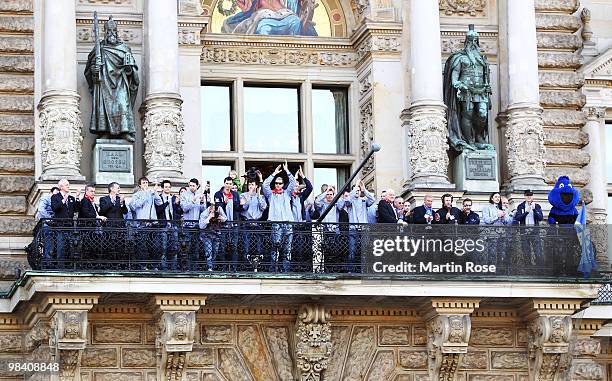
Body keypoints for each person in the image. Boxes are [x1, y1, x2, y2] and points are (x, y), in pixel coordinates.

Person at [84, 15, 139, 142]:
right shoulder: (100, 48)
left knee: (121, 104)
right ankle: (104, 130)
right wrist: (94, 70)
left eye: (114, 31)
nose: (111, 34)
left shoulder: (124, 48)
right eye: (109, 31)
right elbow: (89, 70)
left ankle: (124, 130)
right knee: (104, 107)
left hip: (120, 83)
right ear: (105, 33)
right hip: (104, 84)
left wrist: (129, 68)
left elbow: (132, 71)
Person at [443, 24, 492, 152]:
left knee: (482, 114)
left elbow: (486, 76)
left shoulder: (482, 60)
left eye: (475, 40)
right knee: (468, 115)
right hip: (466, 92)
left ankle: (479, 137)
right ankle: (470, 142)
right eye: (471, 40)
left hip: (481, 91)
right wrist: (460, 85)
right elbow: (454, 79)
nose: (473, 43)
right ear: (466, 41)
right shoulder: (460, 58)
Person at [262, 162, 296, 272]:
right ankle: (274, 269)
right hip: (276, 224)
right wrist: (274, 174)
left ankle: (286, 270)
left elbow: (293, 182)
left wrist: (287, 171)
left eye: (280, 183)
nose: (278, 185)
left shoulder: (287, 193)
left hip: (288, 223)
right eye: (276, 183)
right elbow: (264, 185)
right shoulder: (270, 195)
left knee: (287, 249)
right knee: (275, 248)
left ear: (283, 184)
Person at [128, 177, 163, 268]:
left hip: (153, 224)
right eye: (143, 183)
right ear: (140, 185)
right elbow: (135, 206)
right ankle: (143, 266)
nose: (146, 184)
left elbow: (159, 203)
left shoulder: (151, 193)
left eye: (147, 182)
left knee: (156, 246)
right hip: (142, 224)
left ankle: (154, 265)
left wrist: (155, 192)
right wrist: (146, 194)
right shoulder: (137, 195)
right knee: (142, 247)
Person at [343, 179, 375, 271]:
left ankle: (364, 270)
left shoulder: (364, 201)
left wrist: (364, 190)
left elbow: (372, 199)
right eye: (355, 190)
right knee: (352, 249)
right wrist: (356, 186)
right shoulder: (349, 201)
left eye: (358, 190)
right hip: (353, 228)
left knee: (365, 250)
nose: (357, 192)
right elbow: (347, 198)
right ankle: (351, 270)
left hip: (364, 228)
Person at [214, 177, 243, 270]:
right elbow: (217, 208)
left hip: (234, 224)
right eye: (227, 183)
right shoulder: (218, 194)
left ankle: (234, 268)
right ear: (224, 183)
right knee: (222, 246)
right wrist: (224, 203)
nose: (228, 185)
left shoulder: (235, 194)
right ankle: (223, 267)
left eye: (230, 184)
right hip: (223, 225)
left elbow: (238, 209)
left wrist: (241, 205)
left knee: (234, 246)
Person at [181, 178, 208, 270]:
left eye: (193, 185)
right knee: (186, 248)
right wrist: (193, 201)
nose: (191, 187)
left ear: (197, 186)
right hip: (187, 225)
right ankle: (186, 268)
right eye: (190, 185)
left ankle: (195, 268)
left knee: (196, 248)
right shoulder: (184, 194)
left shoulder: (199, 194)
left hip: (197, 225)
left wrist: (202, 202)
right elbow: (184, 208)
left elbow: (203, 210)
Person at [240, 179, 267, 268]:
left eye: (252, 184)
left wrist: (258, 195)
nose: (251, 186)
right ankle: (246, 262)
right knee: (246, 243)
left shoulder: (261, 196)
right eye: (249, 184)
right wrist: (248, 197)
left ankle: (258, 262)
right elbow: (243, 207)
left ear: (256, 186)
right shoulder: (243, 195)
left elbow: (263, 207)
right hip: (247, 221)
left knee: (259, 243)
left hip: (257, 222)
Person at [156, 180, 183, 270]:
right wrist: (167, 202)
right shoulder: (159, 197)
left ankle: (174, 267)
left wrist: (177, 204)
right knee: (163, 247)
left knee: (174, 247)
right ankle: (164, 267)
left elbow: (179, 212)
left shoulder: (173, 198)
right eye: (166, 187)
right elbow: (158, 210)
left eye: (169, 187)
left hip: (173, 225)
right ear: (162, 188)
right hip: (164, 225)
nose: (168, 188)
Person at [51, 179, 79, 262]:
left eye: (68, 184)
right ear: (61, 187)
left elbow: (76, 209)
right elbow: (55, 208)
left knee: (70, 245)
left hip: (70, 225)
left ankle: (68, 264)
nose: (68, 186)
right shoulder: (55, 197)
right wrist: (63, 200)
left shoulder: (71, 198)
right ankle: (60, 265)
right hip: (60, 225)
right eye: (66, 185)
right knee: (61, 245)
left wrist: (77, 197)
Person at [513, 190, 544, 266]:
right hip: (524, 231)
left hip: (535, 232)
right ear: (525, 196)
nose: (529, 197)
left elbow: (540, 218)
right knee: (526, 251)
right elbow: (518, 218)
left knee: (538, 251)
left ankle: (539, 267)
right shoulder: (521, 206)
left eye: (530, 195)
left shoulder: (537, 206)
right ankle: (528, 268)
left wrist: (534, 209)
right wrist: (526, 212)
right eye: (527, 195)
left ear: (533, 196)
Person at [199, 203, 228, 271]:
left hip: (217, 234)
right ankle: (209, 267)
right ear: (210, 209)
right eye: (213, 211)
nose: (214, 212)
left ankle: (212, 265)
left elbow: (225, 218)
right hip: (207, 234)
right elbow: (201, 226)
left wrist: (221, 218)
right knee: (209, 251)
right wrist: (209, 217)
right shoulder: (204, 213)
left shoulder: (219, 209)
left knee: (215, 251)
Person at [37, 187, 59, 263]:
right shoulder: (46, 198)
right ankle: (48, 261)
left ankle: (52, 260)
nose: (56, 196)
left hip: (54, 225)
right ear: (50, 192)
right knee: (49, 241)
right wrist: (50, 219)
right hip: (46, 224)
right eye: (55, 194)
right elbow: (41, 209)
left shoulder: (56, 200)